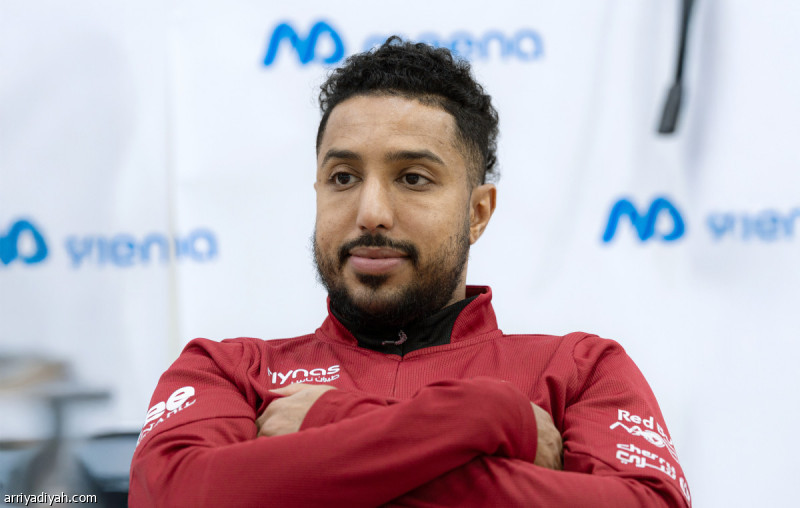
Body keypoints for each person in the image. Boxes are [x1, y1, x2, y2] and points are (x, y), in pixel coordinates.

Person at [129, 37, 691, 507]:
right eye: (344, 178)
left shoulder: (579, 371)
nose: (371, 212)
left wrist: (328, 421)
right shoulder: (231, 371)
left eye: (413, 178)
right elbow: (178, 495)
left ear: (477, 213)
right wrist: (490, 417)